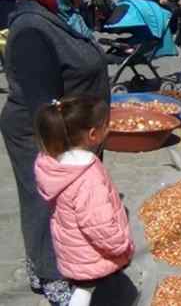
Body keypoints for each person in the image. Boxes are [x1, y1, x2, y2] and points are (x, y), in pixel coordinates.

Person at [1, 0, 110, 306]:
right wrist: (67, 153)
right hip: (44, 133)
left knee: (70, 203)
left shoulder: (60, 15)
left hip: (75, 129)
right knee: (46, 202)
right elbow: (42, 104)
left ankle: (55, 262)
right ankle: (50, 276)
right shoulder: (32, 29)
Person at [34, 96, 134, 306]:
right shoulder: (87, 178)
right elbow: (98, 224)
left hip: (72, 250)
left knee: (83, 290)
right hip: (93, 254)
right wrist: (121, 245)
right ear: (93, 134)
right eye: (106, 125)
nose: (109, 128)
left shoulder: (53, 164)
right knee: (102, 292)